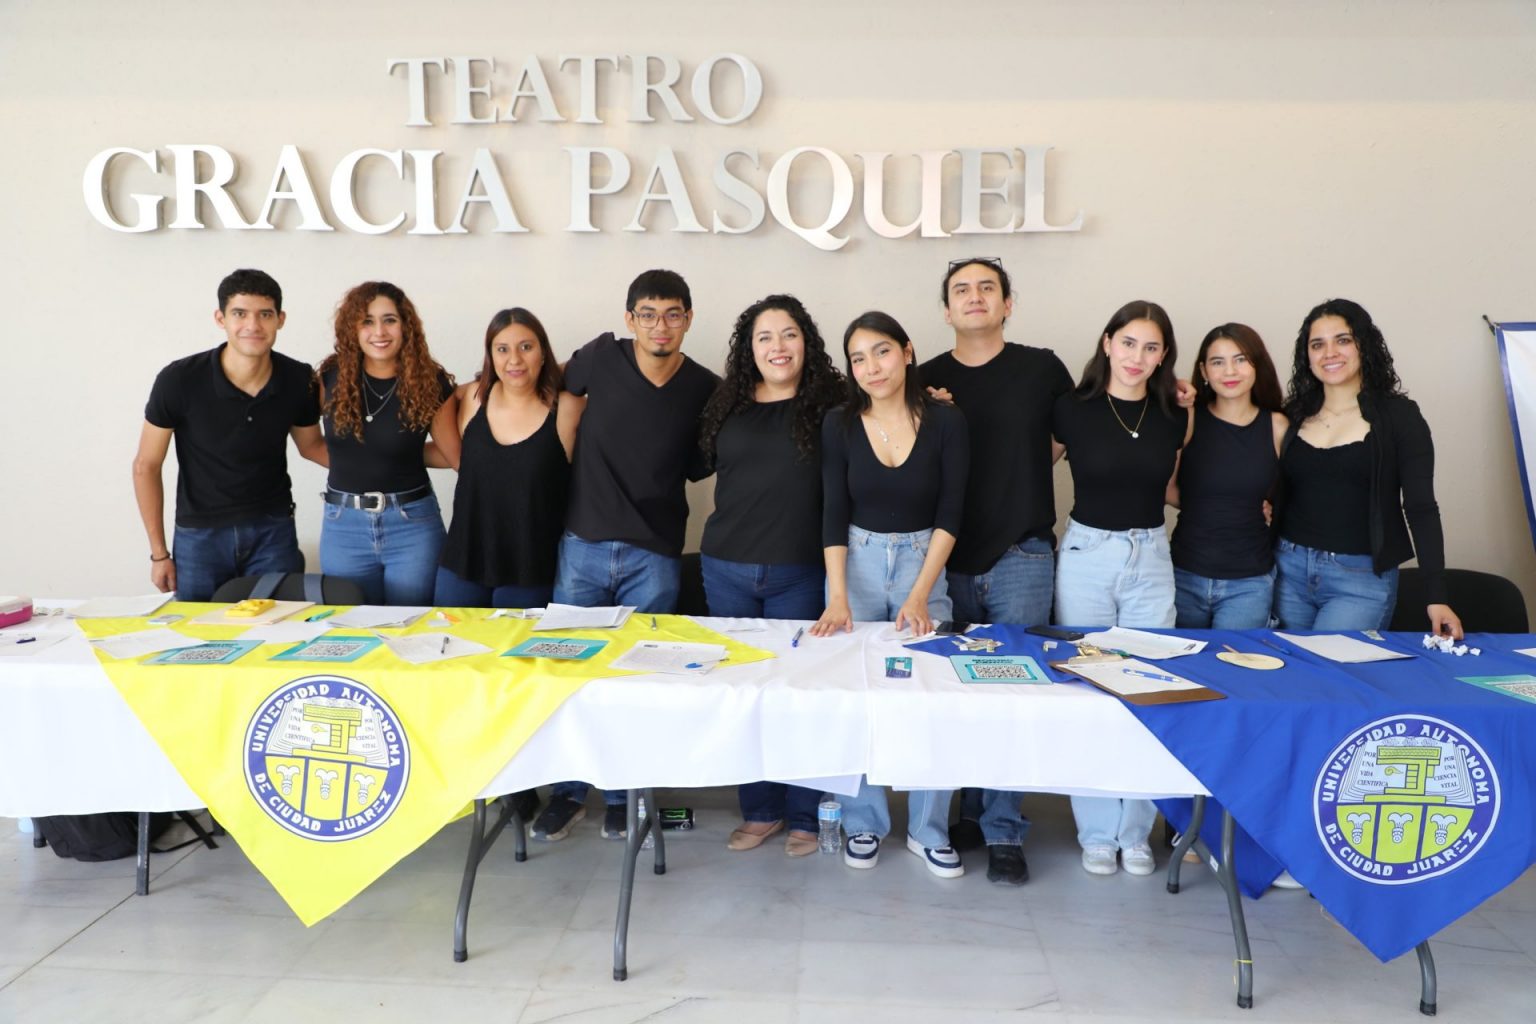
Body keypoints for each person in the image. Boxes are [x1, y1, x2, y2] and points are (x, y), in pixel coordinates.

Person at [531, 269, 721, 843]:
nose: (660, 325)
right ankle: (568, 793)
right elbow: (554, 390)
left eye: (672, 314)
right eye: (648, 314)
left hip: (654, 553)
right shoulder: (599, 357)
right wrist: (564, 456)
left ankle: (625, 793)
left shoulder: (705, 388)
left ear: (688, 318)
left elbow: (702, 461)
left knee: (640, 680)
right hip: (583, 543)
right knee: (569, 672)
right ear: (629, 318)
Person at [920, 256, 1075, 886]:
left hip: (1022, 553)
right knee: (956, 691)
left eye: (988, 287)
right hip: (947, 557)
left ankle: (1005, 827)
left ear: (1008, 303)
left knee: (1014, 689)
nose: (975, 296)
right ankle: (967, 813)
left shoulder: (1041, 368)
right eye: (961, 289)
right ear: (946, 309)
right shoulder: (925, 379)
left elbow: (1069, 438)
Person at [810, 311, 969, 878]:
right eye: (858, 358)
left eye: (881, 352)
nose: (871, 367)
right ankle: (862, 821)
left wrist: (921, 593)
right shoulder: (839, 423)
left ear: (907, 351)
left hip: (923, 561)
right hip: (854, 561)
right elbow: (833, 510)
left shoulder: (947, 421)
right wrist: (837, 595)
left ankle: (929, 830)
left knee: (933, 694)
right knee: (854, 694)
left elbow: (952, 511)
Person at [697, 294, 844, 858]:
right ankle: (760, 810)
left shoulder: (833, 405)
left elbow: (891, 413)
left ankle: (806, 814)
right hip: (726, 568)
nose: (777, 347)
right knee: (746, 693)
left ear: (806, 342)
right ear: (749, 349)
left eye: (788, 334)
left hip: (800, 573)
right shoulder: (727, 404)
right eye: (765, 337)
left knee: (801, 695)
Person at [1052, 300, 1185, 877]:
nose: (1137, 357)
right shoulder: (1071, 409)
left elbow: (1179, 488)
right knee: (1090, 689)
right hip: (1087, 554)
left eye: (1151, 347)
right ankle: (1097, 832)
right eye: (1128, 343)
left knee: (1149, 690)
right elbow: (1022, 470)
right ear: (1107, 343)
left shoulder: (1174, 413)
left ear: (1163, 356)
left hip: (1151, 554)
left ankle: (1136, 833)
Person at [132, 268, 326, 601]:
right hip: (199, 536)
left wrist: (383, 469)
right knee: (198, 628)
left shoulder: (299, 379)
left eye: (264, 314)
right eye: (240, 314)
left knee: (278, 624)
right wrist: (159, 554)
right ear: (220, 318)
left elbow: (312, 447)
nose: (253, 325)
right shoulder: (179, 380)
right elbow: (145, 466)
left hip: (273, 531)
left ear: (280, 319)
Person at [1273, 299, 1462, 638]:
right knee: (1287, 667)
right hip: (1288, 570)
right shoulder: (1294, 413)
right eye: (1317, 344)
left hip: (1359, 579)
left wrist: (1437, 596)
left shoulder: (1400, 417)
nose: (1330, 353)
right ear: (1307, 356)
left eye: (1343, 340)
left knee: (1332, 668)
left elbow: (1421, 508)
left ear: (1365, 345)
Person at [317, 281, 458, 606]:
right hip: (343, 526)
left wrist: (399, 456)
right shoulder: (330, 377)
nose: (379, 331)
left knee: (412, 624)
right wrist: (374, 457)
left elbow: (453, 456)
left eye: (389, 320)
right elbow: (310, 445)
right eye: (367, 321)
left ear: (406, 325)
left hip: (413, 526)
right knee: (351, 626)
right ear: (352, 327)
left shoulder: (430, 382)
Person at [435, 307, 576, 609]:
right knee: (448, 641)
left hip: (532, 568)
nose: (514, 359)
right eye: (502, 349)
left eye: (526, 347)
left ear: (543, 352)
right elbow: (447, 450)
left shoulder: (567, 408)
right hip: (463, 563)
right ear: (491, 356)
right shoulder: (473, 398)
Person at [1168, 324, 1289, 629]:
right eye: (1218, 362)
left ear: (1257, 365)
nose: (1230, 371)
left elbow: (1295, 493)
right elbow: (1166, 488)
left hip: (1250, 582)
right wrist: (1212, 503)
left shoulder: (1277, 426)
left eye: (1241, 359)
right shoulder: (1188, 417)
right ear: (1203, 371)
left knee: (1235, 660)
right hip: (1184, 574)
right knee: (1180, 659)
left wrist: (1275, 509)